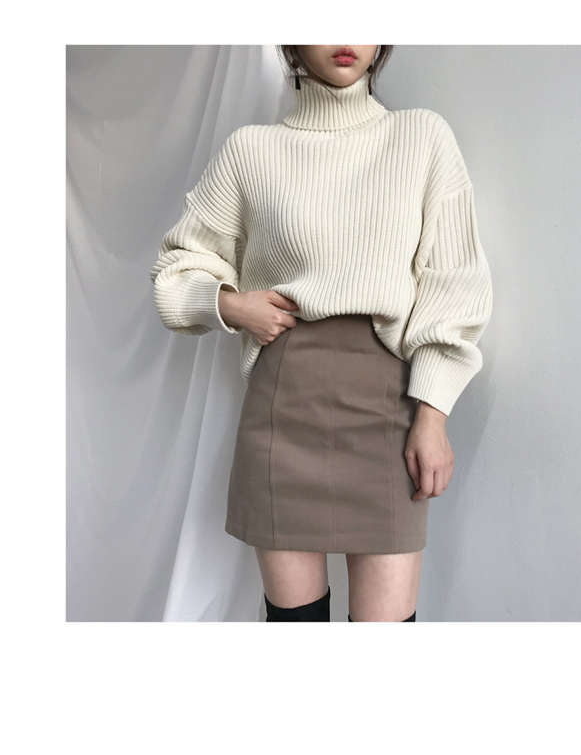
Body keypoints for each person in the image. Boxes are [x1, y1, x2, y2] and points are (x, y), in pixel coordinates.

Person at [152, 44, 492, 622]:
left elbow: (455, 283)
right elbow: (175, 269)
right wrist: (231, 305)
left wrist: (432, 417)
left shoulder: (421, 138)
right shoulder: (251, 152)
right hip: (282, 414)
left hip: (390, 412)